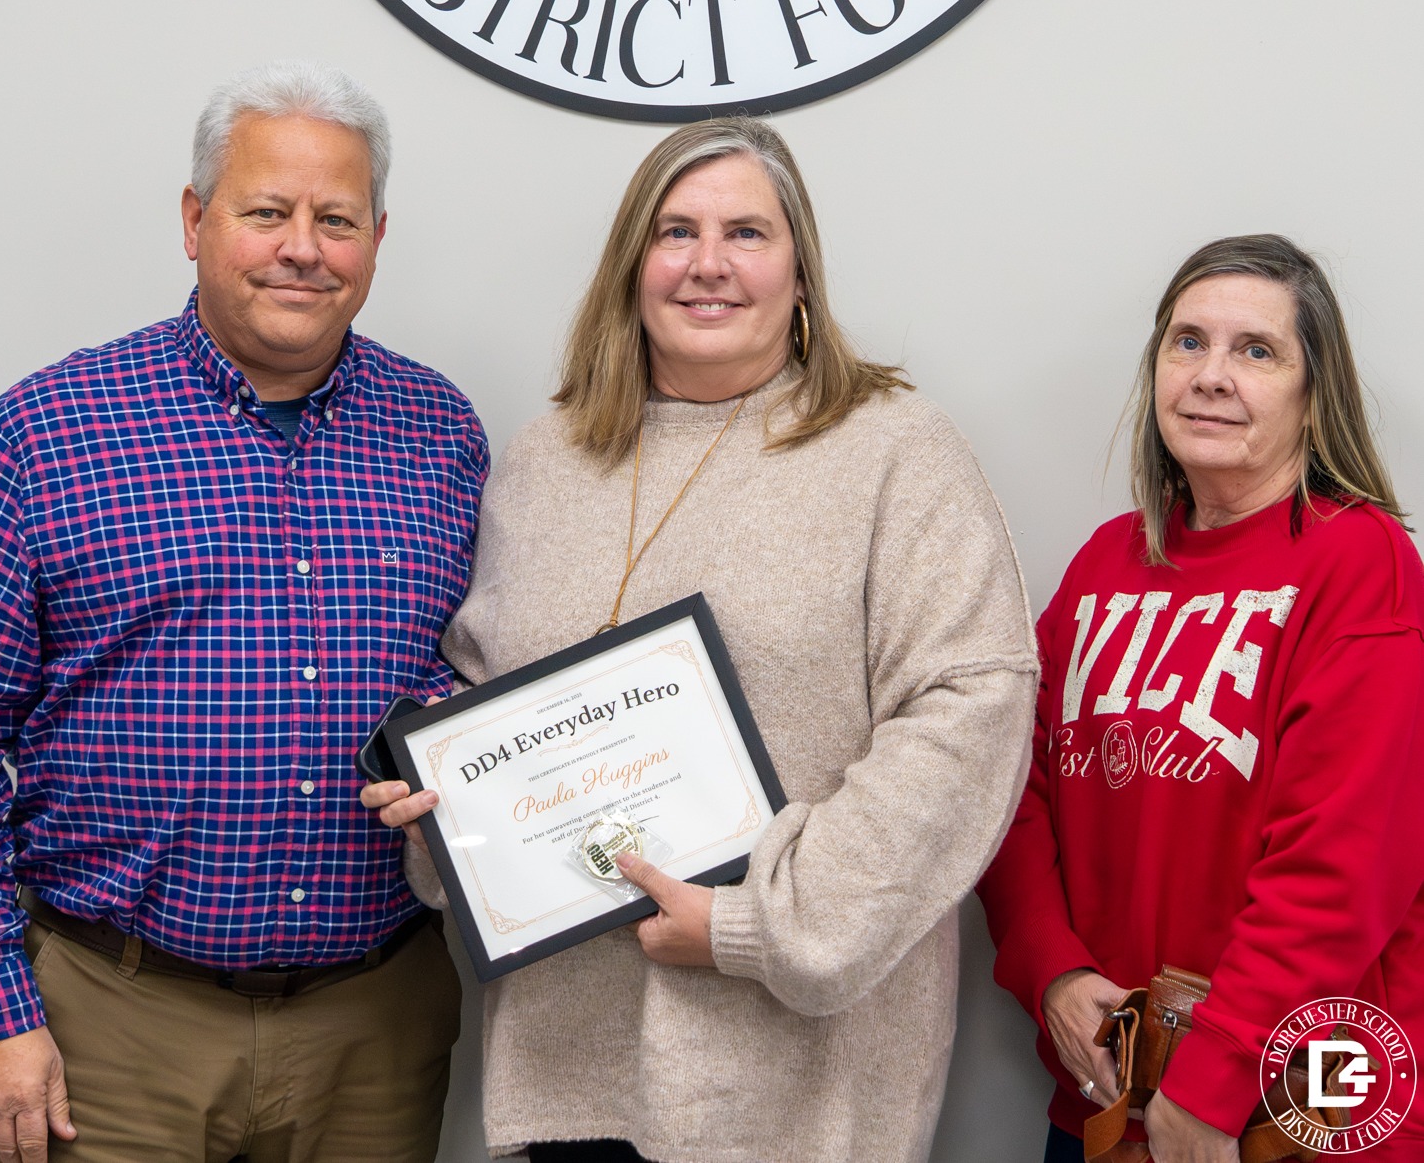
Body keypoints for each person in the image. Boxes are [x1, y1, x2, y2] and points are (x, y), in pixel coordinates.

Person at [365, 116, 1039, 1163]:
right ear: (631, 266)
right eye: (675, 231)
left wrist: (758, 925)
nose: (708, 264)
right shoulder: (544, 461)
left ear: (801, 273)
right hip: (571, 1065)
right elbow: (486, 698)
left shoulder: (896, 450)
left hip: (797, 1082)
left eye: (747, 233)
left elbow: (970, 712)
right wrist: (441, 819)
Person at [0, 63, 487, 1163]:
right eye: (266, 212)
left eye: (337, 219)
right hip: (114, 1021)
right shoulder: (44, 433)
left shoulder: (442, 432)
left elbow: (464, 670)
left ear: (377, 238)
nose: (303, 248)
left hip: (375, 1027)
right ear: (195, 222)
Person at [978, 234, 1424, 1162]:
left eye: (1257, 351)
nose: (1212, 375)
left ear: (1314, 393)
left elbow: (1341, 867)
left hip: (1283, 1121)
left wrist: (1216, 1076)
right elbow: (1005, 788)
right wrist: (1053, 972)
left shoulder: (1361, 564)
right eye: (1189, 342)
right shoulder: (1105, 564)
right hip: (1105, 1111)